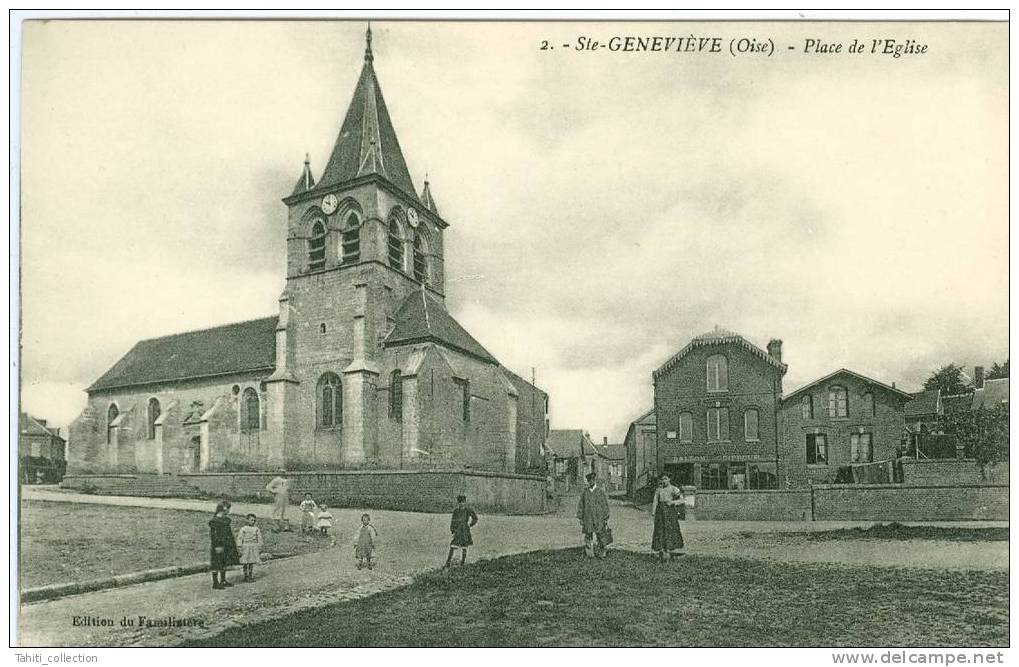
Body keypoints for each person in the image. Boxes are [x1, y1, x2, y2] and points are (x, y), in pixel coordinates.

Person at [650, 473, 686, 561]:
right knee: (660, 529)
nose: (664, 481)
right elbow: (655, 500)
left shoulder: (674, 489)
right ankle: (661, 549)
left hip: (670, 512)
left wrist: (673, 502)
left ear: (669, 479)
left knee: (671, 528)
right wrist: (653, 512)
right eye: (662, 479)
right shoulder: (658, 490)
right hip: (660, 512)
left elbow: (682, 500)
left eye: (665, 479)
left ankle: (671, 549)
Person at [577, 472, 610, 559]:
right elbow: (581, 505)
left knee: (601, 535)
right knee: (588, 536)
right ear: (588, 481)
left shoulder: (600, 492)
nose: (591, 482)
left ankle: (602, 552)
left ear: (595, 480)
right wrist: (580, 517)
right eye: (589, 481)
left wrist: (606, 517)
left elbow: (605, 505)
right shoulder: (585, 492)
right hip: (588, 518)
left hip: (599, 518)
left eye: (592, 480)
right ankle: (590, 553)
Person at [209, 501, 240, 589]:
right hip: (218, 546)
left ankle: (223, 580)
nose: (229, 511)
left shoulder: (225, 520)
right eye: (228, 509)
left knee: (224, 563)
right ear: (224, 509)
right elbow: (214, 535)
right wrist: (217, 546)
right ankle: (215, 582)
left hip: (226, 544)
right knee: (216, 563)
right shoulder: (215, 521)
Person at [444, 495, 479, 568]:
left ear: (465, 502)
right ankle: (448, 562)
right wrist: (453, 530)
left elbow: (475, 518)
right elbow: (452, 521)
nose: (461, 504)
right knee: (453, 546)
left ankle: (462, 563)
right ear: (458, 503)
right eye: (460, 502)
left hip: (465, 530)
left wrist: (470, 525)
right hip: (458, 531)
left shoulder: (468, 510)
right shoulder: (456, 511)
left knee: (464, 547)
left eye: (463, 502)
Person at [236, 513, 264, 582]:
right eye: (251, 520)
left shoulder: (256, 529)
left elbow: (259, 537)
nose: (253, 522)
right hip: (246, 546)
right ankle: (246, 576)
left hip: (253, 546)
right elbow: (240, 538)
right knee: (245, 562)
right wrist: (239, 546)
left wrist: (260, 545)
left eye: (254, 520)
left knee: (251, 562)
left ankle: (250, 575)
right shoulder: (243, 529)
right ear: (247, 520)